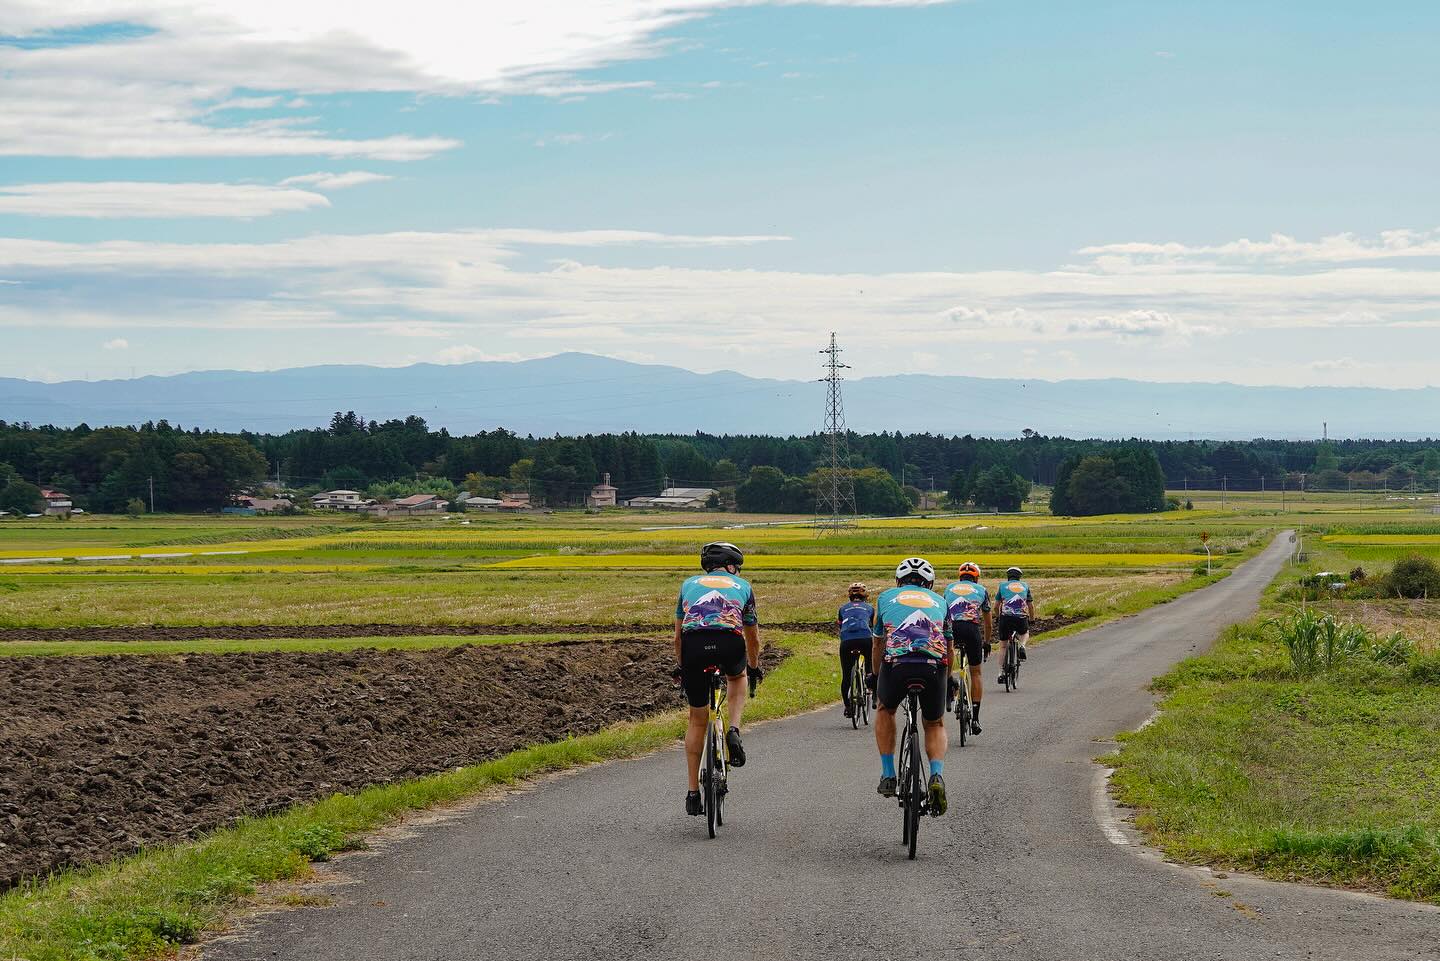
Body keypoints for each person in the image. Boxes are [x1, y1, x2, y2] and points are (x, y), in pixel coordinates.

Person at [673, 542, 763, 817]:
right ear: (731, 565)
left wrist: (681, 666)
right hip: (729, 644)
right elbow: (753, 637)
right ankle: (733, 729)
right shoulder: (743, 586)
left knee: (696, 719)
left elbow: (677, 637)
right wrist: (754, 666)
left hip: (693, 648)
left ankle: (691, 793)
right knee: (737, 678)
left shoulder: (688, 584)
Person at [867, 557, 950, 815]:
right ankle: (936, 776)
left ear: (898, 581)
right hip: (933, 666)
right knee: (934, 722)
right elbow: (949, 647)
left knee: (885, 709)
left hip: (897, 666)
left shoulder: (885, 598)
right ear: (930, 583)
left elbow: (878, 643)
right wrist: (948, 678)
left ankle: (889, 774)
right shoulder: (942, 602)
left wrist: (875, 674)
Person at [942, 561, 990, 735]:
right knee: (975, 672)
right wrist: (987, 641)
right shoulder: (982, 590)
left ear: (960, 577)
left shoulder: (948, 589)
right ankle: (975, 717)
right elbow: (987, 619)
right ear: (976, 577)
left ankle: (949, 688)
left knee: (947, 661)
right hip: (971, 630)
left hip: (951, 628)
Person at [837, 582, 875, 718]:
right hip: (865, 639)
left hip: (847, 641)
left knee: (846, 676)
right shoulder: (870, 608)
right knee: (871, 666)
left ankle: (848, 707)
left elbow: (840, 626)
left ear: (849, 596)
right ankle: (872, 691)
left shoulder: (842, 608)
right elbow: (874, 627)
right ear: (866, 595)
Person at [995, 566, 1035, 684]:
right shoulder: (1025, 586)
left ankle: (1000, 673)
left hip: (1005, 618)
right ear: (1019, 577)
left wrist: (998, 617)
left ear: (1008, 576)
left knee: (1003, 646)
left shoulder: (1002, 586)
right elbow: (1030, 606)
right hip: (1021, 617)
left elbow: (996, 606)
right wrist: (1032, 619)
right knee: (1024, 633)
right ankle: (1022, 645)